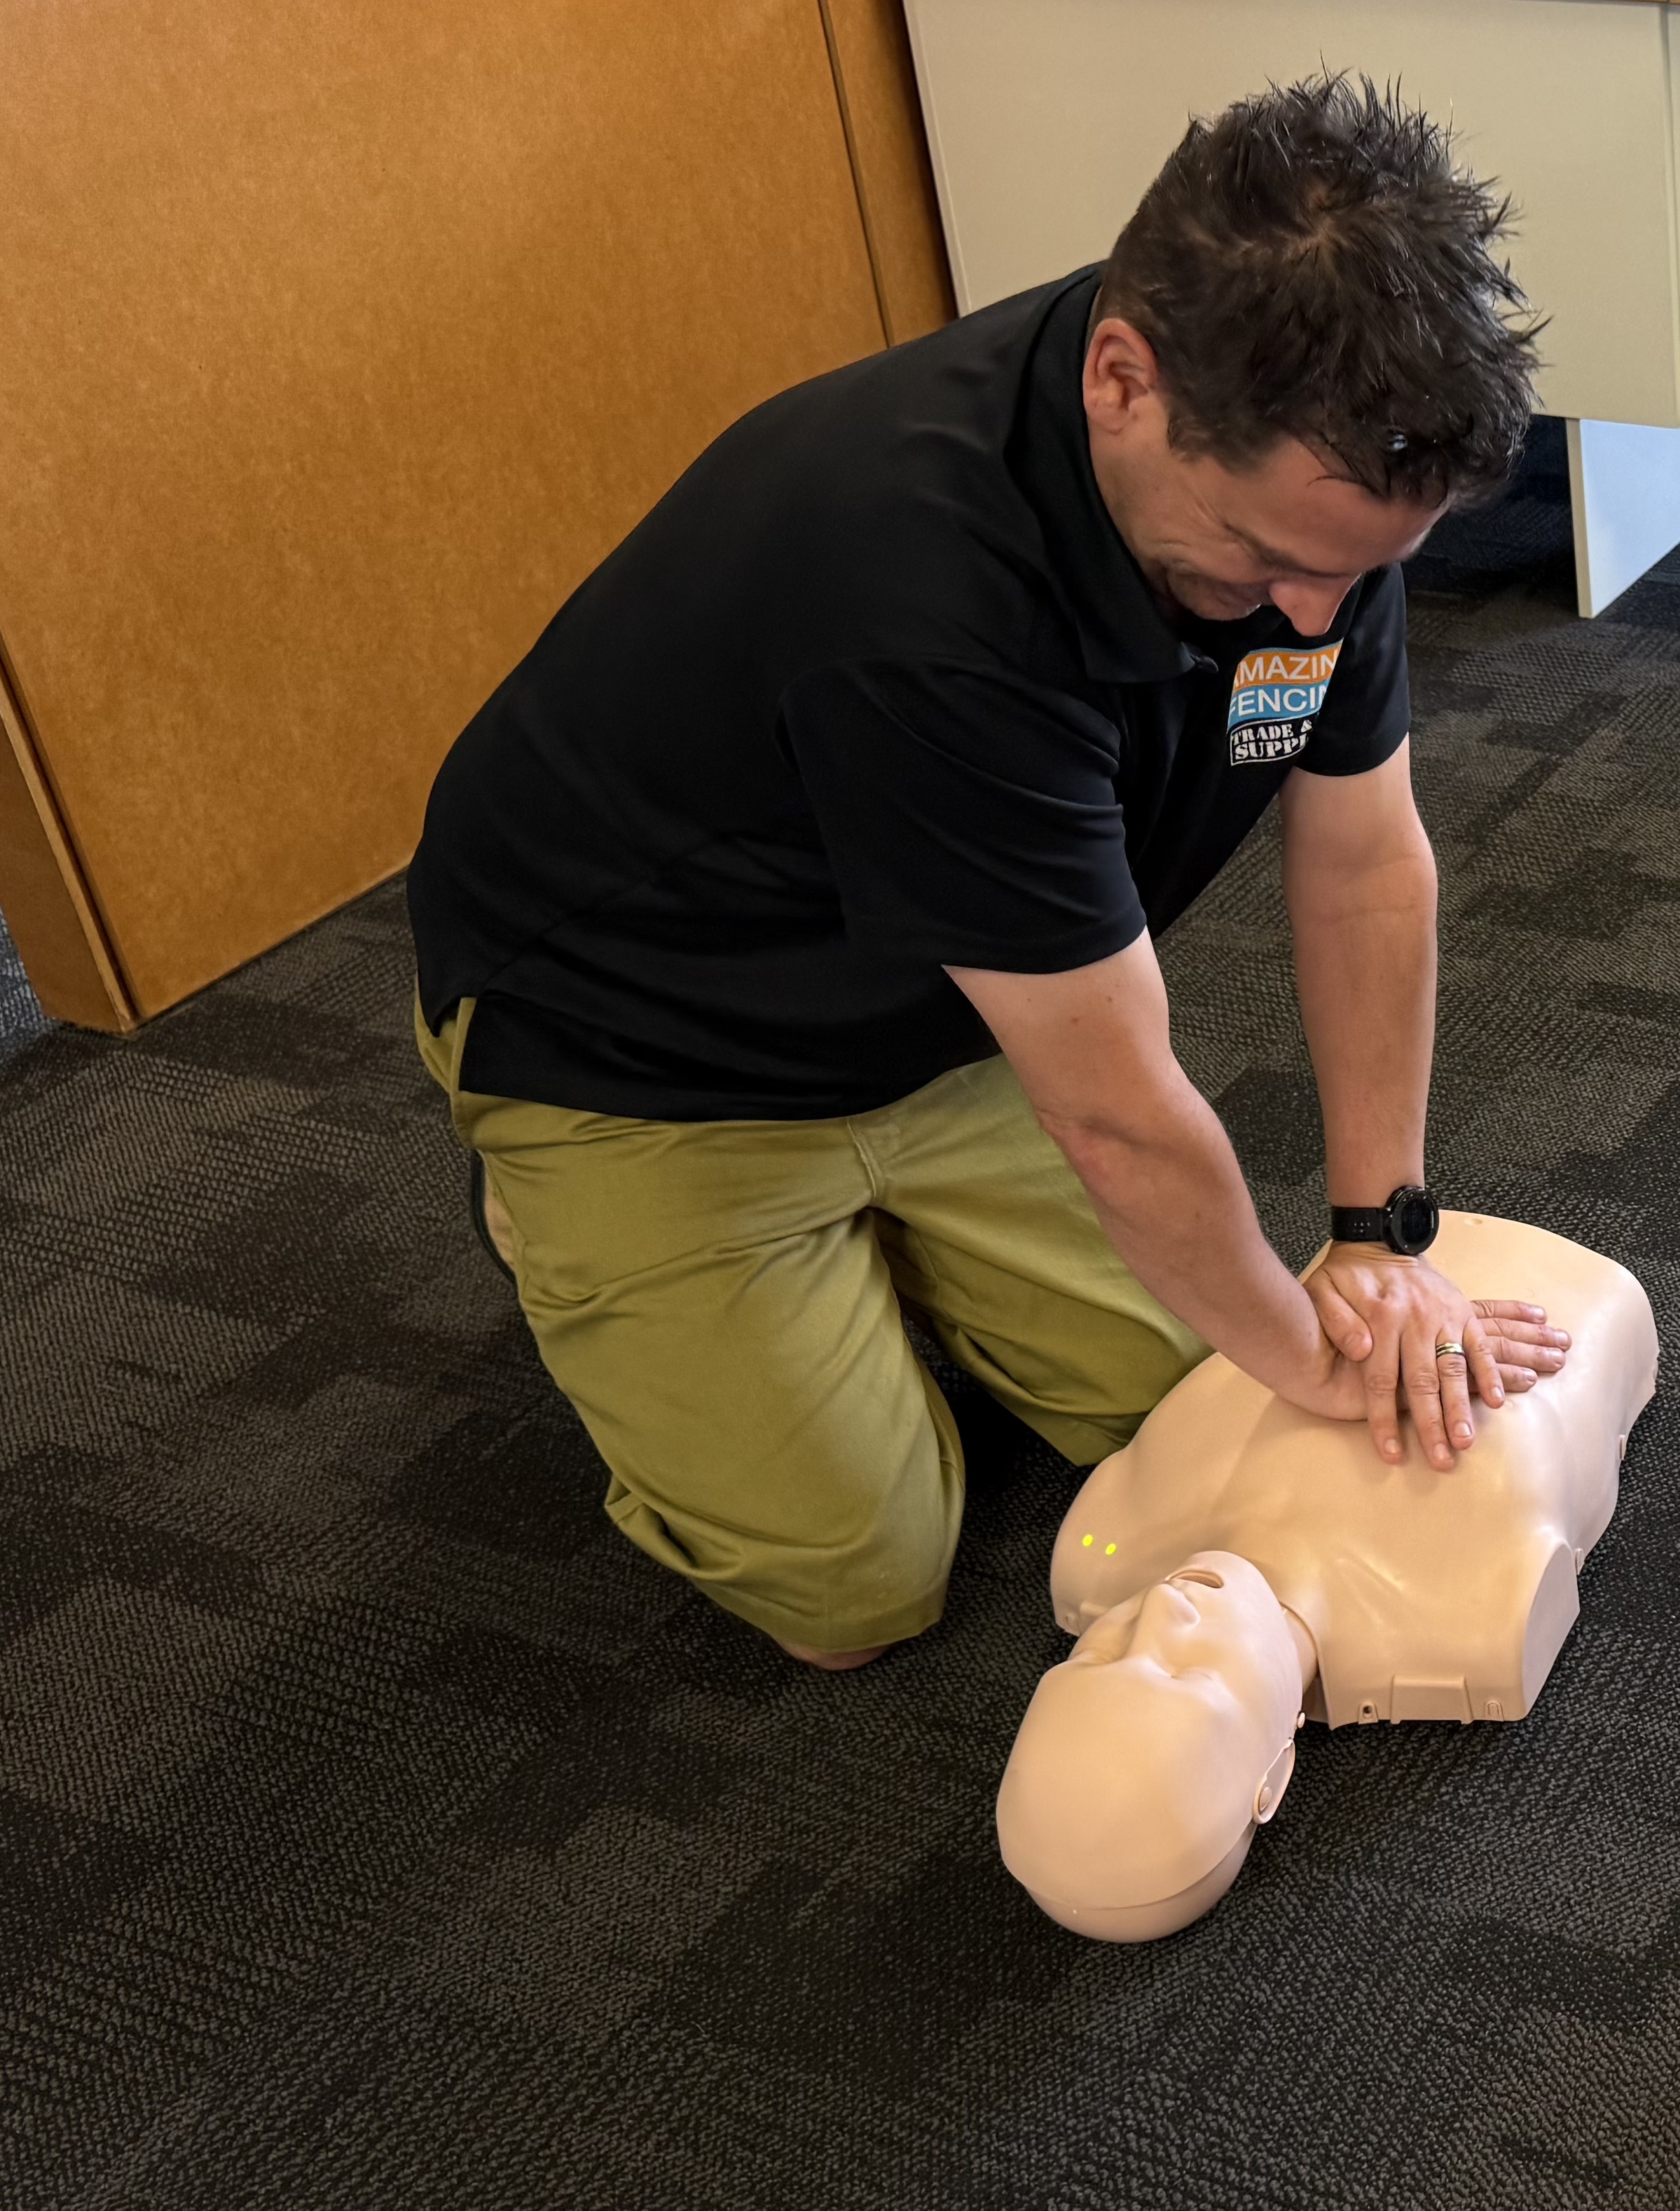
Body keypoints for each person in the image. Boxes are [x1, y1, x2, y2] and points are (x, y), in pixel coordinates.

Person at [405, 77, 1571, 1673]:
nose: (1314, 620)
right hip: (639, 1043)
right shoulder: (922, 592)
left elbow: (1366, 863)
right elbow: (1111, 1110)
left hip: (952, 1010)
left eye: (1363, 572)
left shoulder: (1313, 484)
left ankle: (882, 1259)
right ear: (1120, 380)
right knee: (858, 1583)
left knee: (1190, 1405)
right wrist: (1308, 1349)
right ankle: (569, 1215)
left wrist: (1379, 1233)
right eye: (1268, 564)